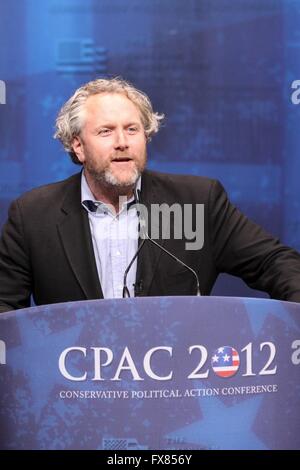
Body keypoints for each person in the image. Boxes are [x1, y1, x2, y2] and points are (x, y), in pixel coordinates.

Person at [0, 77, 300, 313]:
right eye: (106, 131)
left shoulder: (196, 202)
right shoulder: (33, 215)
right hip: (74, 383)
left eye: (132, 129)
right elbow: (5, 307)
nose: (122, 142)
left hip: (172, 380)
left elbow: (276, 263)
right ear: (78, 146)